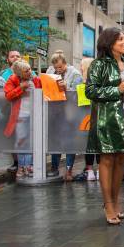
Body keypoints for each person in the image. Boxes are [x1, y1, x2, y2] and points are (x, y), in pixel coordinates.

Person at [86, 28, 124, 225]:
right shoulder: (98, 64)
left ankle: (116, 200)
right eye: (120, 39)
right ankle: (108, 204)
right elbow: (90, 91)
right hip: (106, 119)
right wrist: (115, 89)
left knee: (121, 159)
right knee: (107, 159)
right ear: (109, 42)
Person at [46, 50, 83, 180]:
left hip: (70, 113)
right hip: (54, 112)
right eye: (56, 68)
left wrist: (67, 87)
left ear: (65, 64)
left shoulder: (75, 74)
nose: (58, 70)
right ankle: (54, 168)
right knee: (55, 140)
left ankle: (68, 170)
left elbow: (79, 94)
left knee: (69, 141)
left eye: (60, 67)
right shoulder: (50, 72)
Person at [4, 60, 42, 179]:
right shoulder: (13, 79)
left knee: (32, 141)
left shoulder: (35, 79)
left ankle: (29, 165)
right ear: (19, 73)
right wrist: (20, 87)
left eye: (30, 69)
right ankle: (21, 166)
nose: (30, 72)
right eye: (26, 71)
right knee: (21, 141)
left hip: (35, 114)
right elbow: (8, 96)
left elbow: (43, 92)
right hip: (20, 115)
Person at [1, 49, 23, 172]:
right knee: (12, 137)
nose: (15, 58)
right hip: (9, 110)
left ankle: (27, 164)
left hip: (26, 111)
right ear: (8, 59)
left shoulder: (30, 72)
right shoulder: (4, 74)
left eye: (17, 56)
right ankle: (16, 162)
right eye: (12, 56)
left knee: (25, 137)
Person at [80, 57, 100, 181]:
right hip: (89, 117)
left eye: (81, 65)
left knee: (92, 144)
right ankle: (95, 170)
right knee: (95, 144)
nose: (80, 67)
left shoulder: (87, 82)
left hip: (89, 117)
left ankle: (91, 169)